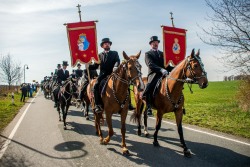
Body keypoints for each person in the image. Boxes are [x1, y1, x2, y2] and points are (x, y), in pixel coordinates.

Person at [88, 38, 120, 113]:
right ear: (102, 46)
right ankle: (98, 105)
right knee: (96, 86)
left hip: (113, 73)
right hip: (103, 74)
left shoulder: (115, 53)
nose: (107, 44)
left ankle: (128, 103)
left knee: (124, 83)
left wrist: (115, 66)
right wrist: (88, 65)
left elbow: (117, 61)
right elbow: (95, 66)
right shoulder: (99, 55)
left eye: (108, 43)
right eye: (105, 43)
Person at [143, 36, 173, 115]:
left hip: (164, 75)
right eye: (153, 43)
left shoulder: (162, 53)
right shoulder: (148, 54)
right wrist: (161, 69)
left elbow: (167, 66)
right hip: (153, 75)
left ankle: (178, 104)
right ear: (151, 44)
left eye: (156, 42)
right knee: (148, 88)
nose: (155, 44)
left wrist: (175, 68)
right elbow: (150, 64)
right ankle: (149, 106)